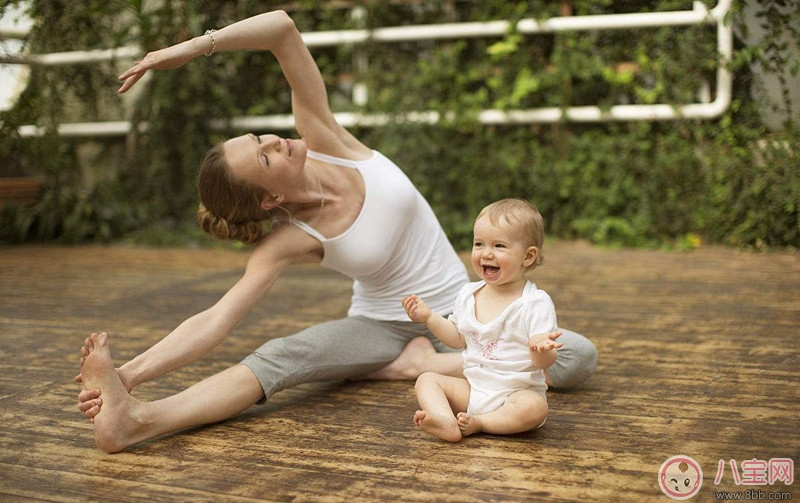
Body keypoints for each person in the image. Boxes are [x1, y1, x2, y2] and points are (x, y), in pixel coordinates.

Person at [74, 10, 597, 453]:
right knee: (280, 356)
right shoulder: (289, 237)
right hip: (377, 325)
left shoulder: (325, 138)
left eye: (259, 137)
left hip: (463, 313)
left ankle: (418, 365)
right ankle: (137, 420)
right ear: (269, 200)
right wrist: (128, 375)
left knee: (576, 356)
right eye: (265, 156)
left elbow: (282, 29)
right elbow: (217, 318)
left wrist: (189, 49)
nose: (275, 140)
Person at [403, 198, 561, 442]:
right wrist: (429, 317)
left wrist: (540, 348)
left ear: (528, 256)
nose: (486, 253)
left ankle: (482, 423)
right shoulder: (468, 295)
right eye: (479, 244)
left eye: (499, 246)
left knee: (535, 407)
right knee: (426, 380)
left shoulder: (534, 302)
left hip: (515, 395)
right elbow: (456, 339)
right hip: (473, 390)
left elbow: (545, 362)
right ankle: (445, 421)